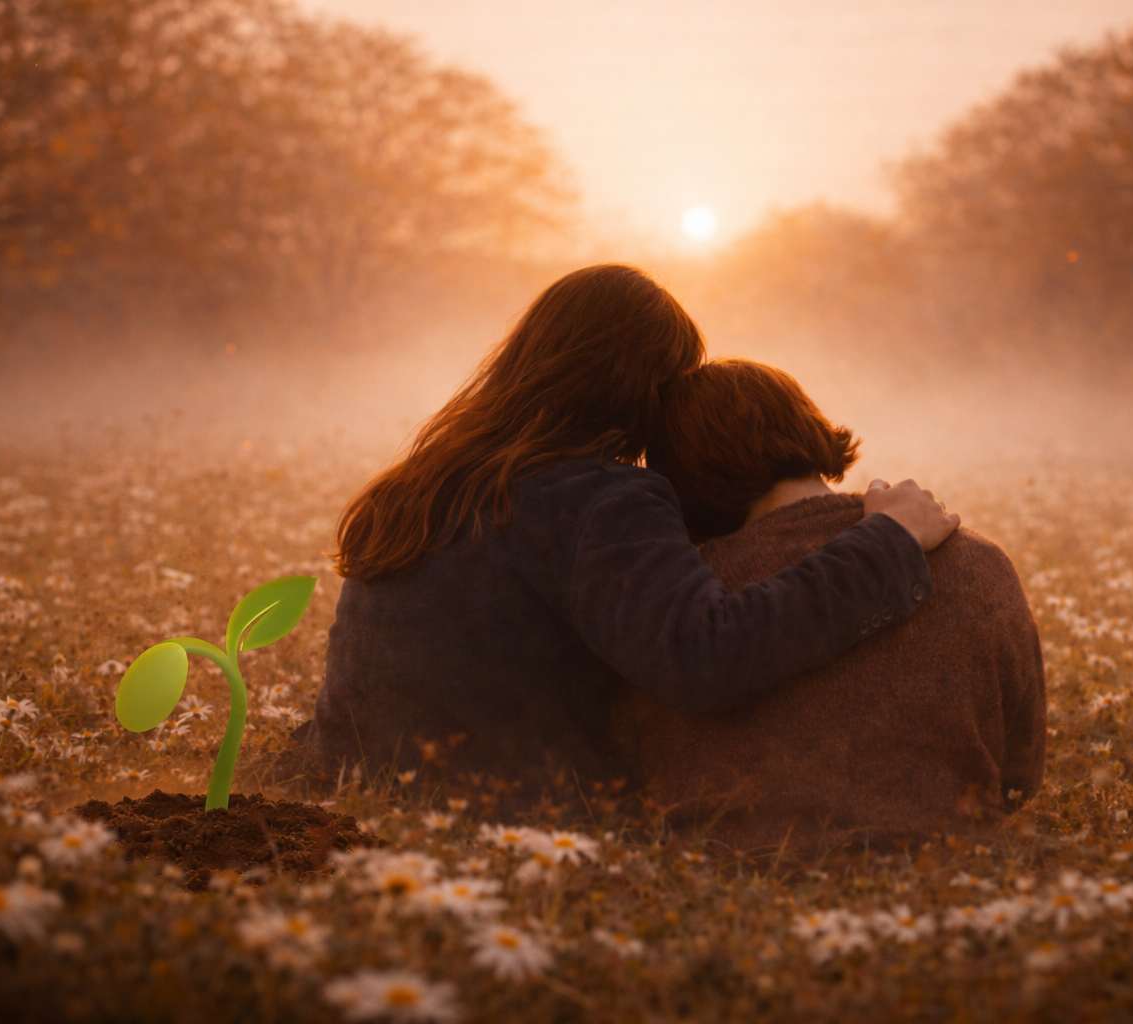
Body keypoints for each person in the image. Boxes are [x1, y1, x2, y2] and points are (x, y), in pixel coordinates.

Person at [301, 265, 961, 795]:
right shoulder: (600, 500)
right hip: (501, 818)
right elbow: (707, 659)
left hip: (348, 789)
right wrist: (888, 542)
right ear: (636, 388)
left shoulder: (419, 482)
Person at [617, 358, 1046, 848]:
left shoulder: (684, 606)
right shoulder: (980, 564)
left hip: (730, 895)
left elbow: (634, 770)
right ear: (805, 423)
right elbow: (1020, 778)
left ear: (679, 481)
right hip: (953, 882)